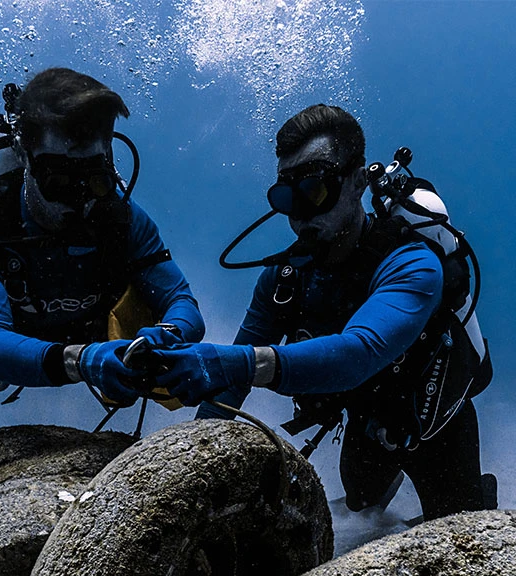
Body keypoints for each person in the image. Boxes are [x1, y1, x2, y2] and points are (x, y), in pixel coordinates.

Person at [153, 104, 494, 521]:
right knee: (363, 508)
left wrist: (238, 365)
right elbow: (225, 389)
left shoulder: (413, 265)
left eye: (314, 192)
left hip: (435, 420)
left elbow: (358, 353)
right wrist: (189, 463)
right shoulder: (283, 281)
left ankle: (478, 494)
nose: (300, 216)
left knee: (460, 530)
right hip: (368, 419)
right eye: (286, 198)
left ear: (355, 183)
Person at [0, 67, 204, 404]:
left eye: (95, 178)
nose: (81, 203)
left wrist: (169, 335)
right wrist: (83, 361)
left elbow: (180, 300)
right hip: (29, 338)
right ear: (25, 161)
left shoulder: (125, 219)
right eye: (59, 182)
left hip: (81, 338)